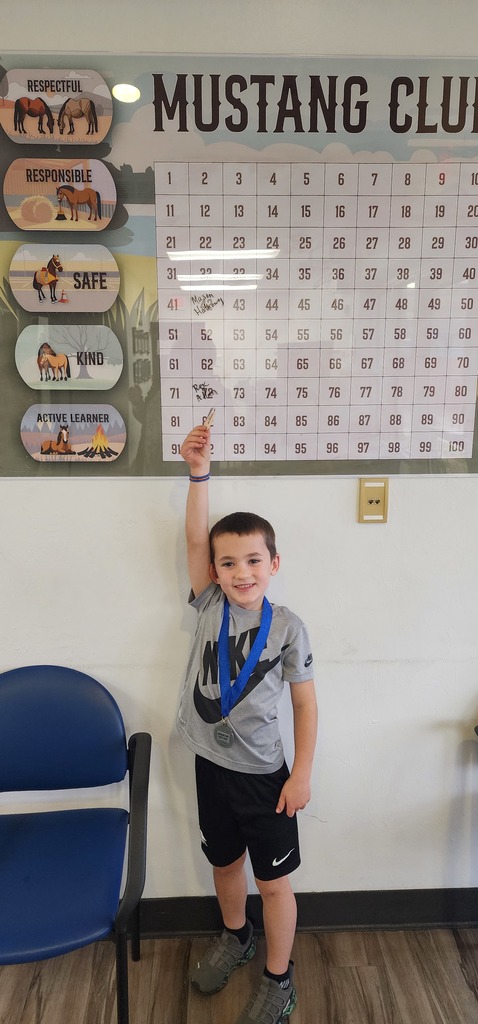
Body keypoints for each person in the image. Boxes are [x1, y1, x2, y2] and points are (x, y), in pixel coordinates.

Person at [177, 421, 318, 1024]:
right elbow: (194, 538)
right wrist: (198, 474)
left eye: (253, 560)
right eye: (228, 562)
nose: (241, 572)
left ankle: (279, 978)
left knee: (275, 883)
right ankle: (236, 937)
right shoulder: (209, 602)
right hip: (211, 763)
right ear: (213, 571)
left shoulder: (286, 627)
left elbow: (305, 704)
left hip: (265, 777)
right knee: (224, 863)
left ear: (274, 563)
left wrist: (301, 774)